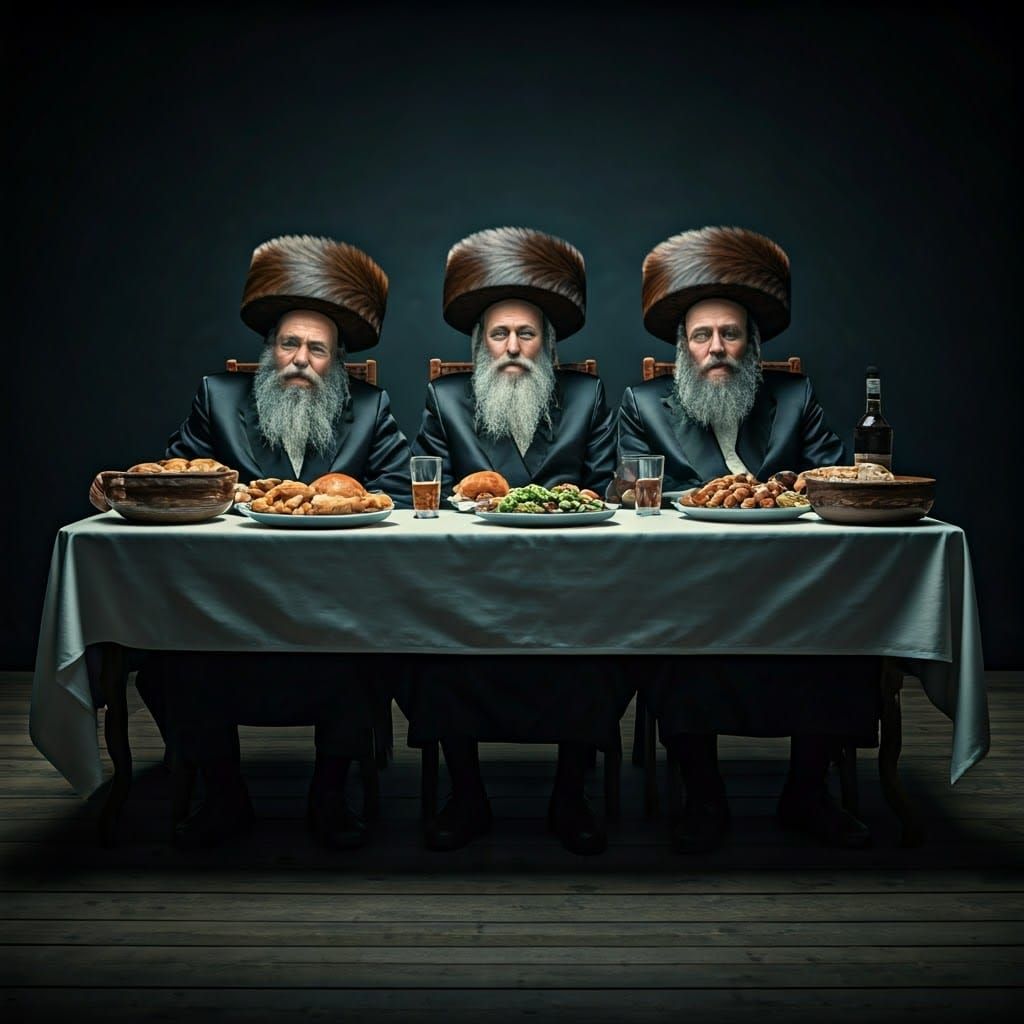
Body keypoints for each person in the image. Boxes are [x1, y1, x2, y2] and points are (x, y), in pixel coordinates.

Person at [89, 234, 412, 850]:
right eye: (289, 344)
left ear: (337, 363)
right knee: (169, 661)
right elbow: (174, 478)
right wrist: (119, 491)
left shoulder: (370, 408)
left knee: (375, 653)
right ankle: (224, 792)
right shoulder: (220, 396)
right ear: (269, 351)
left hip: (335, 604)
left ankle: (329, 792)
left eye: (318, 350)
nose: (300, 359)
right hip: (224, 602)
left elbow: (396, 489)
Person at [618, 225, 877, 853]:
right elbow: (625, 489)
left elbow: (829, 480)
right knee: (673, 643)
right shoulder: (643, 403)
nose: (717, 349)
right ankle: (704, 797)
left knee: (847, 632)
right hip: (692, 589)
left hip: (796, 585)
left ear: (751, 345)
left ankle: (806, 794)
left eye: (730, 335)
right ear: (683, 348)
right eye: (702, 336)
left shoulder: (794, 396)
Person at [399, 226, 630, 856]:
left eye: (526, 334)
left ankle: (569, 794)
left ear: (547, 347)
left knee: (601, 650)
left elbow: (610, 489)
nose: (512, 347)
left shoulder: (585, 394)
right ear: (479, 346)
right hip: (469, 585)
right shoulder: (444, 398)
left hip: (573, 584)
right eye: (498, 335)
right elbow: (430, 493)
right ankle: (466, 794)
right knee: (431, 649)